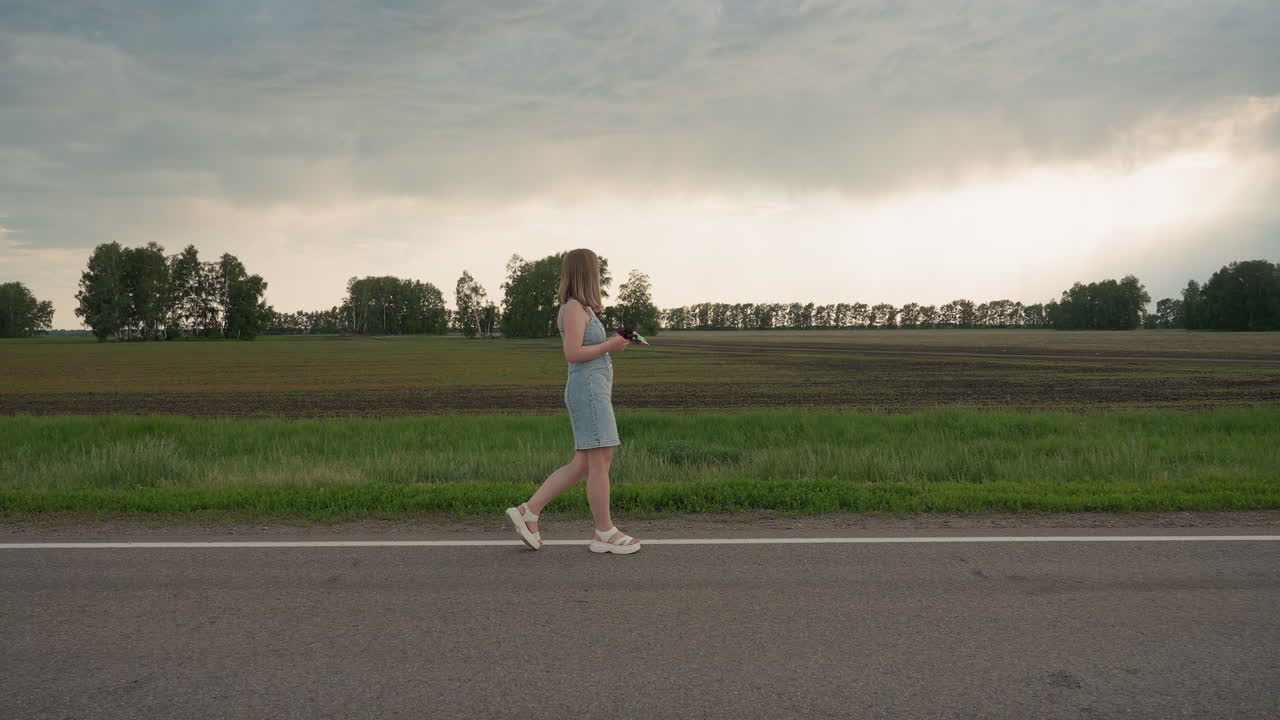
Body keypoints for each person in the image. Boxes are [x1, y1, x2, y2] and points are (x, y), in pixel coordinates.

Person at [504, 248, 642, 554]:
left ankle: (529, 512)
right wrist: (610, 345)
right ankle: (604, 532)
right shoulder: (574, 309)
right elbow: (573, 353)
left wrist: (611, 343)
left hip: (592, 390)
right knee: (600, 461)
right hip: (588, 391)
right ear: (588, 274)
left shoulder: (582, 309)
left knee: (583, 464)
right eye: (597, 272)